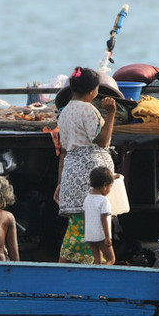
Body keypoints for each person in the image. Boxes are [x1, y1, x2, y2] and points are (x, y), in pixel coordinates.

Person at [54, 67, 117, 263]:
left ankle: (66, 267)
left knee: (76, 225)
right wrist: (111, 113)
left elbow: (64, 152)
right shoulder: (88, 109)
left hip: (71, 173)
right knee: (95, 226)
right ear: (92, 90)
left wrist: (60, 183)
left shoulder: (63, 112)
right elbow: (103, 141)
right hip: (90, 175)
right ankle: (95, 268)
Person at [83, 166, 116, 265]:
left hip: (89, 235)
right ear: (105, 185)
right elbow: (104, 218)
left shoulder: (87, 198)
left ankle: (94, 277)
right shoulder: (103, 200)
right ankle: (103, 276)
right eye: (110, 187)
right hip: (101, 235)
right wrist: (107, 237)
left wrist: (86, 231)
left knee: (97, 260)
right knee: (111, 259)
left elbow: (84, 216)